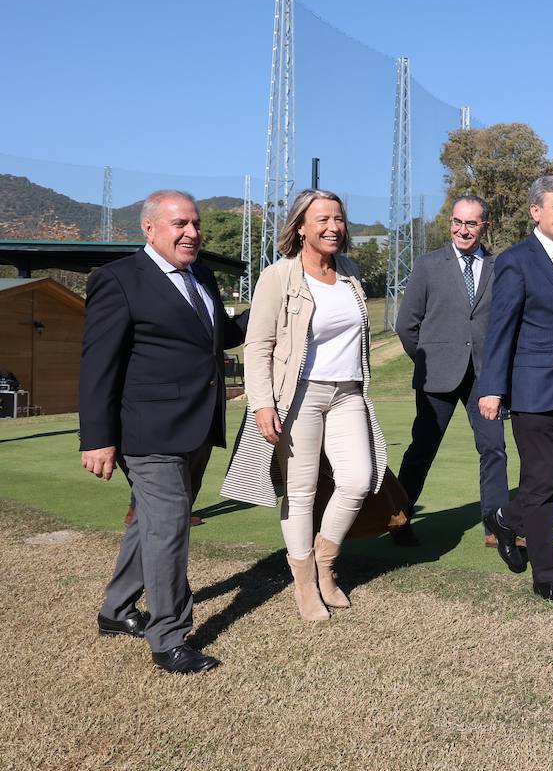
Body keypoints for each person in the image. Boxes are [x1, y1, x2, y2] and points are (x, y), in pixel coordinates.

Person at [79, 189, 245, 674]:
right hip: (147, 432)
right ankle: (169, 637)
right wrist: (96, 437)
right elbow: (98, 366)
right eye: (180, 224)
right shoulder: (117, 279)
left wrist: (273, 310)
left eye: (195, 224)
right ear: (149, 229)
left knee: (153, 525)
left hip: (199, 424)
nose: (192, 233)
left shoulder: (203, 276)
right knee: (170, 528)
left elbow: (218, 336)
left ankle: (115, 611)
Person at [222, 190, 386, 622]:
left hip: (349, 392)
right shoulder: (279, 276)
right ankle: (304, 584)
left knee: (357, 481)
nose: (333, 226)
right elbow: (257, 345)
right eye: (322, 220)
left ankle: (325, 564)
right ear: (300, 228)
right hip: (300, 396)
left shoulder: (349, 272)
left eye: (339, 218)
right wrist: (261, 403)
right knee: (301, 491)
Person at [476, 175, 553, 604]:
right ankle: (547, 576)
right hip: (532, 388)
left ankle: (506, 517)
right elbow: (501, 327)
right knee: (541, 482)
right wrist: (492, 388)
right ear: (536, 211)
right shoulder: (515, 261)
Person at [393, 195, 508, 548]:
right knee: (422, 449)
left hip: (484, 378)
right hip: (436, 377)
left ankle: (496, 526)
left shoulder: (499, 267)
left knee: (494, 449)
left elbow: (503, 324)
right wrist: (429, 361)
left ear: (484, 226)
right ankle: (397, 517)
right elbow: (405, 326)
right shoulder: (428, 265)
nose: (463, 229)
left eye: (471, 223)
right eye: (457, 222)